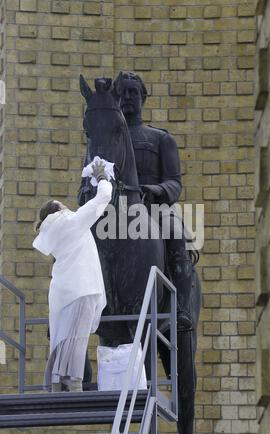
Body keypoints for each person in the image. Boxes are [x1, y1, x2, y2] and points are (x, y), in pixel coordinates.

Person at [119, 71, 193, 331]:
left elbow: (175, 182)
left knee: (174, 231)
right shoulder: (107, 140)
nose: (127, 98)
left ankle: (182, 306)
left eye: (133, 92)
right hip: (114, 213)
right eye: (122, 92)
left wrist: (155, 190)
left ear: (143, 98)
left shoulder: (160, 138)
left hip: (154, 210)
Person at [33, 160, 112, 392]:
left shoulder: (53, 230)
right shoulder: (69, 221)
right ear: (57, 210)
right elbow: (102, 199)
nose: (68, 207)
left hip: (62, 290)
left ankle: (56, 381)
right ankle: (74, 381)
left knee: (63, 337)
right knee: (76, 337)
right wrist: (102, 178)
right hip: (81, 287)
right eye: (63, 205)